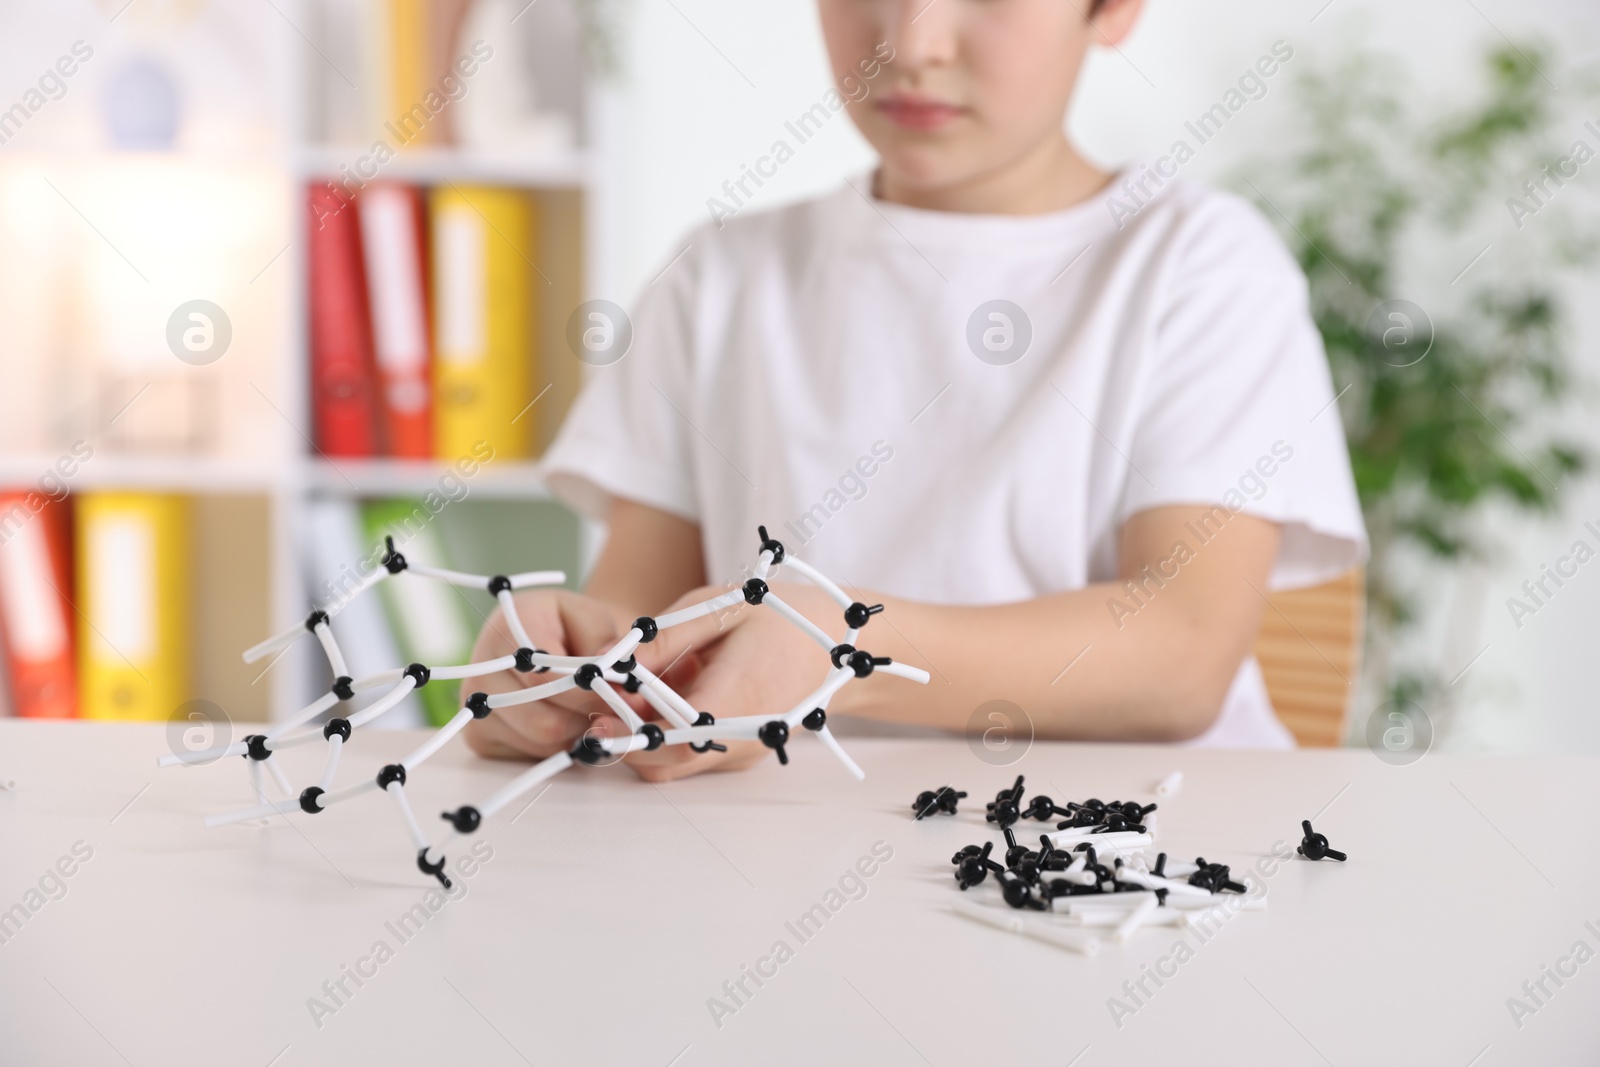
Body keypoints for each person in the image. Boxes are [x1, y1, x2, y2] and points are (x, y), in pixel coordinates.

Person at [464, 0, 1366, 779]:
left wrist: (844, 646)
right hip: (795, 860)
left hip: (1133, 862)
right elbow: (644, 620)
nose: (914, 40)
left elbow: (1178, 656)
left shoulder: (1200, 268)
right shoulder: (721, 279)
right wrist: (570, 669)